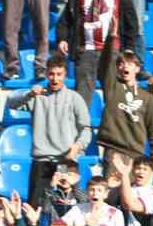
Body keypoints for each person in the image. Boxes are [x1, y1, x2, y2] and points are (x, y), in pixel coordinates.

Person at [9, 56, 93, 204]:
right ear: (47, 73)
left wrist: (78, 146)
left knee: (67, 208)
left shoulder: (75, 98)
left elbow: (86, 129)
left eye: (59, 74)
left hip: (65, 161)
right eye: (52, 74)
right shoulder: (37, 96)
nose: (55, 78)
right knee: (36, 208)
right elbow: (11, 103)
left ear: (65, 75)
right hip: (41, 160)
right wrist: (29, 94)